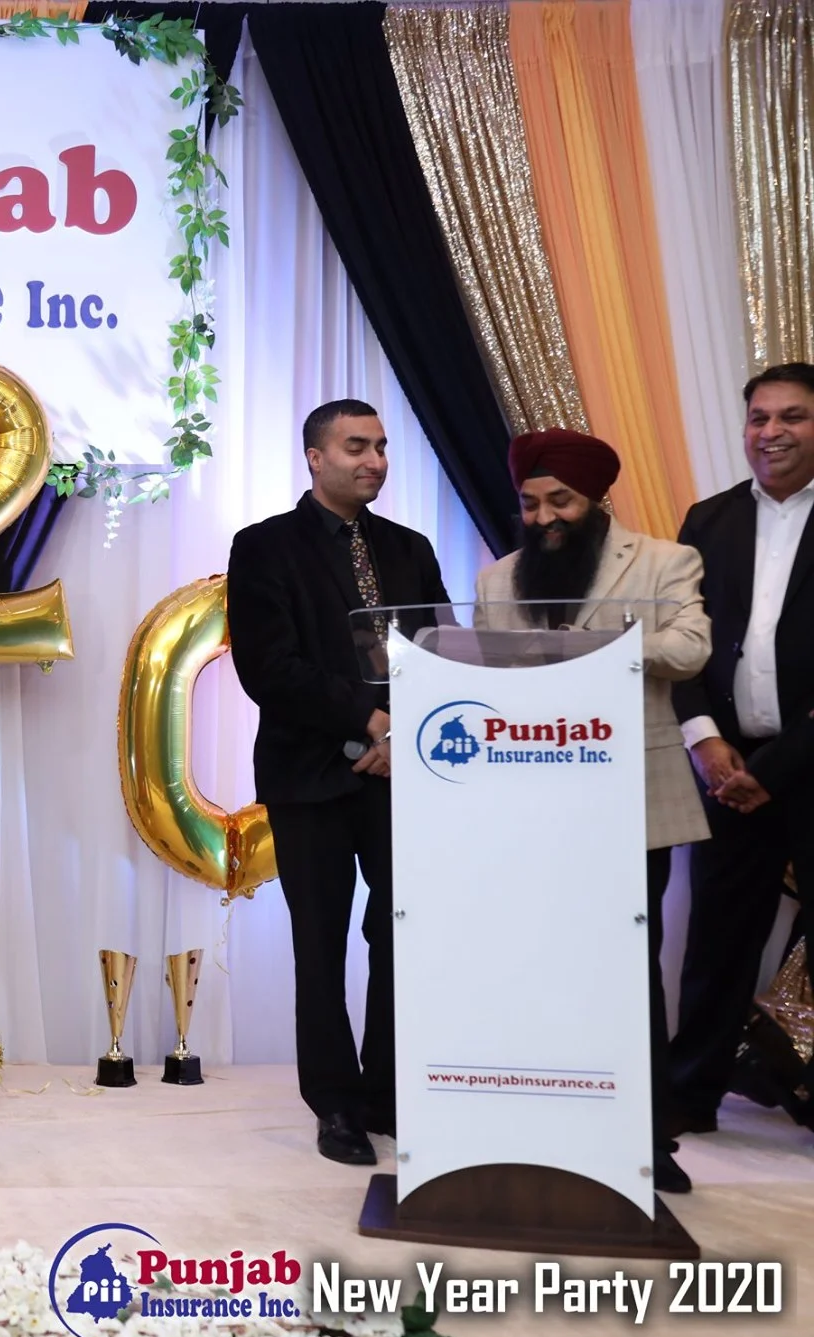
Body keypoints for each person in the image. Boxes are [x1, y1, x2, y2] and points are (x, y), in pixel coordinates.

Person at [473, 429, 710, 1194]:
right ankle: (544, 1125)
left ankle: (646, 1138)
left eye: (561, 501)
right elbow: (483, 682)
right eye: (530, 503)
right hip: (532, 807)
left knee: (629, 973)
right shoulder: (497, 579)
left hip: (631, 802)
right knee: (542, 967)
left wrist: (602, 647)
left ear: (597, 499)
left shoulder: (665, 560)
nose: (544, 518)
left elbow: (692, 647)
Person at [227, 399, 449, 1166]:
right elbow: (269, 668)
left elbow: (439, 650)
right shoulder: (264, 546)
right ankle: (336, 1104)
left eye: (381, 446)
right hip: (310, 775)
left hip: (400, 774)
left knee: (401, 933)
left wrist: (401, 731)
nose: (375, 460)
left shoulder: (411, 548)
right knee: (319, 946)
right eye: (357, 446)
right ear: (315, 458)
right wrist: (368, 719)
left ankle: (388, 1092)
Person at [670, 363, 814, 1137]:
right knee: (718, 936)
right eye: (760, 417)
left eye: (792, 416)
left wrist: (774, 770)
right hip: (727, 766)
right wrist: (704, 739)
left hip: (804, 764)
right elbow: (682, 644)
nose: (772, 432)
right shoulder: (710, 519)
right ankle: (691, 1095)